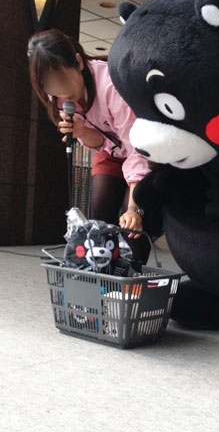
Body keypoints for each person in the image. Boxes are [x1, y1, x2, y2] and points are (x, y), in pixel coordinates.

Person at [27, 28, 162, 264]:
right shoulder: (57, 97)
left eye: (62, 80)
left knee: (133, 225)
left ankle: (132, 278)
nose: (60, 92)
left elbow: (137, 150)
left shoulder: (110, 86)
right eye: (49, 86)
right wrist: (81, 132)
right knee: (100, 215)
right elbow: (100, 144)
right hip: (111, 151)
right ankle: (101, 276)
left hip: (143, 148)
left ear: (79, 62)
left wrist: (134, 209)